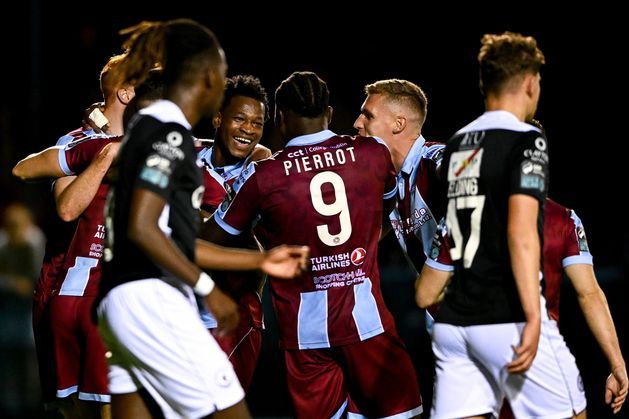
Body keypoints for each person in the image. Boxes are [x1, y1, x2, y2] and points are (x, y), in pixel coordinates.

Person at [97, 19, 308, 419]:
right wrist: (207, 288)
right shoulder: (171, 134)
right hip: (153, 298)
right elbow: (142, 227)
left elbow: (172, 238)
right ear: (209, 78)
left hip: (117, 300)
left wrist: (259, 260)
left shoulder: (145, 125)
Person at [209, 71, 422, 418]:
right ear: (328, 113)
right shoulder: (371, 154)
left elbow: (212, 242)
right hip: (366, 322)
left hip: (303, 334)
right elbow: (384, 216)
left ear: (280, 118)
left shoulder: (263, 176)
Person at [424, 31, 583, 418]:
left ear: (484, 83)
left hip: (454, 325)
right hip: (506, 317)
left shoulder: (460, 141)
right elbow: (521, 232)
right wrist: (533, 315)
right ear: (530, 83)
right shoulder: (528, 139)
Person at [12, 53, 133, 418]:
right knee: (72, 408)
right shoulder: (77, 142)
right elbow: (65, 207)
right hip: (70, 283)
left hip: (122, 287)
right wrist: (104, 154)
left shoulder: (152, 141)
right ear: (126, 93)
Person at [196, 74, 271, 392]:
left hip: (232, 316)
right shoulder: (188, 155)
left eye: (257, 122)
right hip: (178, 312)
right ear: (217, 117)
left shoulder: (262, 168)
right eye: (240, 118)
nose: (249, 129)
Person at [353, 79, 445, 274]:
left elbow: (458, 166)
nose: (357, 123)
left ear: (398, 124)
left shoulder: (430, 159)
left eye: (368, 116)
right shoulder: (388, 180)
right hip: (438, 304)